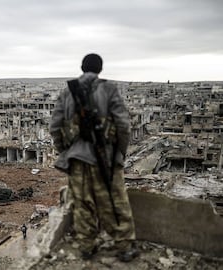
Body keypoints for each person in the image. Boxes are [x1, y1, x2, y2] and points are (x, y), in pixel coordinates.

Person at [49, 53, 139, 262]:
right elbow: (123, 125)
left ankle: (87, 246)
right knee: (113, 201)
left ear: (82, 68)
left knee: (82, 203)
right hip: (105, 158)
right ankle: (124, 246)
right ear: (100, 69)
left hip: (77, 159)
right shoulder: (109, 89)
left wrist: (65, 151)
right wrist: (119, 154)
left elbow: (55, 127)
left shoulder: (67, 92)